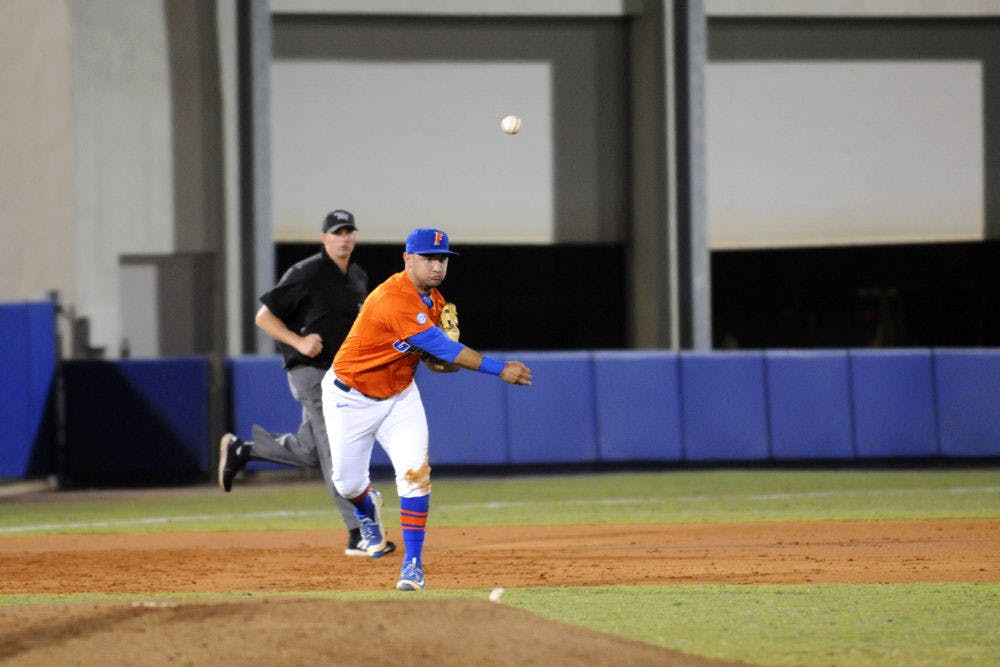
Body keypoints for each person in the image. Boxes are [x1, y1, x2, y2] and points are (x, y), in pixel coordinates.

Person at [322, 227, 532, 591]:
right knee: (346, 482)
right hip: (350, 398)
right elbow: (448, 352)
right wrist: (500, 369)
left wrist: (442, 360)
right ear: (407, 259)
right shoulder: (393, 299)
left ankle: (412, 564)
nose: (437, 266)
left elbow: (437, 362)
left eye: (443, 259)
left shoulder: (434, 302)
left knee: (415, 475)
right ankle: (364, 507)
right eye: (429, 258)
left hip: (400, 397)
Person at [218, 209, 395, 557]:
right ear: (324, 238)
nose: (343, 237)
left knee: (313, 450)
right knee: (336, 454)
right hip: (311, 372)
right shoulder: (306, 273)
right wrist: (298, 342)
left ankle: (245, 450)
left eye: (348, 231)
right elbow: (264, 316)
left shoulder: (357, 276)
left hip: (342, 375)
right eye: (336, 232)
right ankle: (358, 533)